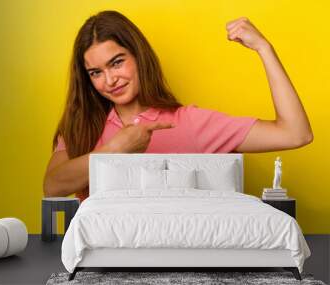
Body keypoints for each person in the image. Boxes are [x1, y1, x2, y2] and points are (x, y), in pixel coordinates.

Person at [43, 10, 313, 202]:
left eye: (116, 62)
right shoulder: (83, 124)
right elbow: (52, 186)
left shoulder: (190, 123)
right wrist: (116, 149)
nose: (110, 80)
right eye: (96, 72)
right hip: (102, 263)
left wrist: (265, 49)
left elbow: (295, 133)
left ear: (139, 57)